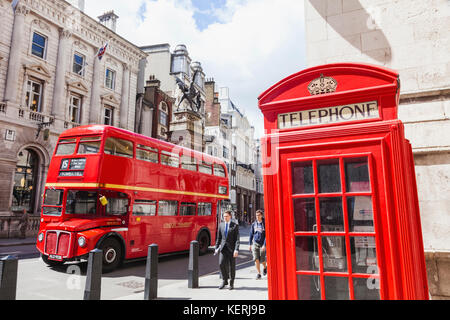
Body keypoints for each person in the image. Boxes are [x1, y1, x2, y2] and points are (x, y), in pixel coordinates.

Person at [215, 210, 240, 290]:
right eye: (224, 216)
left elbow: (237, 239)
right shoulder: (221, 225)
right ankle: (224, 280)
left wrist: (236, 249)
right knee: (221, 264)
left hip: (232, 249)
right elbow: (219, 238)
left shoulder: (235, 226)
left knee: (232, 267)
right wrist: (216, 247)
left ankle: (231, 283)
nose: (225, 218)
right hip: (223, 248)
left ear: (230, 217)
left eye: (226, 216)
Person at [249, 209, 267, 279]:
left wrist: (264, 245)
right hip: (255, 243)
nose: (257, 217)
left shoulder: (265, 223)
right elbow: (251, 234)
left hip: (262, 244)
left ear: (261, 215)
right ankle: (259, 273)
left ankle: (265, 267)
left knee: (262, 260)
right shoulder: (254, 224)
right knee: (256, 259)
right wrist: (250, 244)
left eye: (259, 215)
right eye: (256, 215)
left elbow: (266, 235)